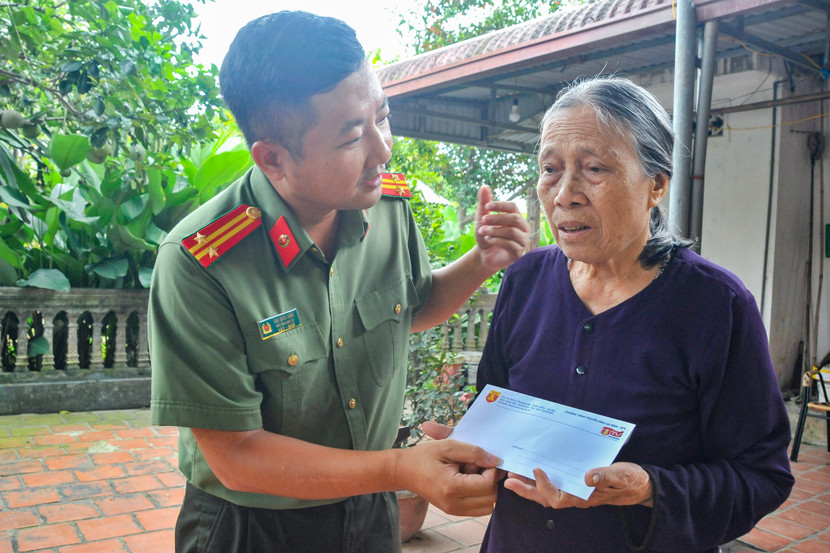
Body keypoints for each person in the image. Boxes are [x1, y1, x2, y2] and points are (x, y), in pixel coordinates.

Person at [148, 10, 530, 553]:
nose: (383, 149)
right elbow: (235, 456)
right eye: (353, 137)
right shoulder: (201, 260)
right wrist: (403, 467)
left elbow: (412, 308)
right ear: (274, 158)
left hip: (370, 507)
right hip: (252, 526)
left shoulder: (387, 208)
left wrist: (480, 261)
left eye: (383, 116)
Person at [470, 76, 794, 552]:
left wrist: (649, 489)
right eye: (550, 169)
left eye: (594, 169)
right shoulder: (525, 281)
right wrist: (469, 451)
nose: (565, 194)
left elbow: (761, 475)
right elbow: (493, 407)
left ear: (656, 185)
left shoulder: (715, 306)